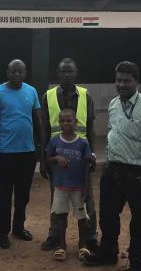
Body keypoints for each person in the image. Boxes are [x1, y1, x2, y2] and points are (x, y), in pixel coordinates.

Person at [82, 61, 141, 271]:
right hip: (113, 170)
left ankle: (136, 262)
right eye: (118, 80)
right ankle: (108, 253)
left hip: (138, 173)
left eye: (126, 80)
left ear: (136, 82)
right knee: (108, 216)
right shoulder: (113, 104)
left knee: (139, 220)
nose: (121, 84)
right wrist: (108, 160)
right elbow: (112, 133)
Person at [40, 58, 98, 252]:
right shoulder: (47, 96)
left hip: (81, 157)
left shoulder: (85, 95)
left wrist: (93, 154)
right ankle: (55, 236)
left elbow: (90, 126)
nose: (66, 75)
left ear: (76, 73)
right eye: (63, 72)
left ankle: (89, 238)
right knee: (57, 198)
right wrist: (43, 159)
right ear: (57, 73)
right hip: (57, 158)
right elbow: (45, 128)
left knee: (85, 198)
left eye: (70, 72)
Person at [0, 59, 42, 249]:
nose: (17, 74)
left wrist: (40, 145)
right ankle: (2, 232)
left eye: (21, 71)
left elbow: (37, 120)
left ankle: (18, 227)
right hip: (4, 153)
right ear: (7, 73)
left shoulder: (31, 91)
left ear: (25, 73)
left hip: (27, 153)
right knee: (4, 195)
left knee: (23, 195)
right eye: (13, 71)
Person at [46, 109, 92, 262]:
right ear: (59, 123)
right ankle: (61, 246)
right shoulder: (54, 141)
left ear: (76, 122)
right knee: (60, 216)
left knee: (82, 218)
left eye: (69, 120)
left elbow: (87, 167)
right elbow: (47, 158)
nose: (66, 123)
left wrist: (85, 189)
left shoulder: (82, 143)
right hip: (60, 187)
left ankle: (82, 245)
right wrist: (57, 158)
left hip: (78, 188)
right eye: (62, 121)